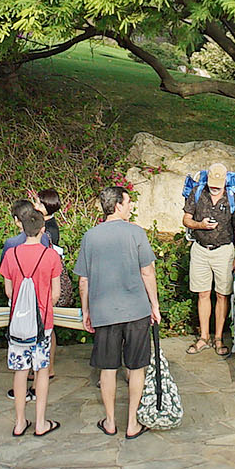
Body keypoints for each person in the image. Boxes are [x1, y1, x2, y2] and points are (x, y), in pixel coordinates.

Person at [76, 186, 160, 438]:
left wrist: (86, 311)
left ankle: (111, 421)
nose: (130, 206)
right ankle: (132, 422)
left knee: (108, 369)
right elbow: (147, 272)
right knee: (136, 367)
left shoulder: (90, 236)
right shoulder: (136, 232)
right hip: (136, 310)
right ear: (118, 205)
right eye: (128, 202)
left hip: (104, 312)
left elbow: (83, 280)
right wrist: (154, 305)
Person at [0, 203, 64, 436]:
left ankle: (19, 422)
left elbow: (8, 291)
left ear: (22, 226)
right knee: (41, 370)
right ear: (42, 229)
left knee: (20, 371)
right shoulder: (51, 256)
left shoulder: (11, 254)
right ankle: (40, 422)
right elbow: (55, 293)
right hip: (42, 322)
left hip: (18, 322)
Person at [183, 163, 235, 354]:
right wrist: (200, 225)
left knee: (222, 295)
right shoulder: (198, 193)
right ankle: (204, 337)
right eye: (212, 184)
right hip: (200, 249)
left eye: (218, 184)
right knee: (202, 293)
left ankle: (218, 338)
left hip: (223, 250)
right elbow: (186, 219)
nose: (214, 188)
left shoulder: (232, 197)